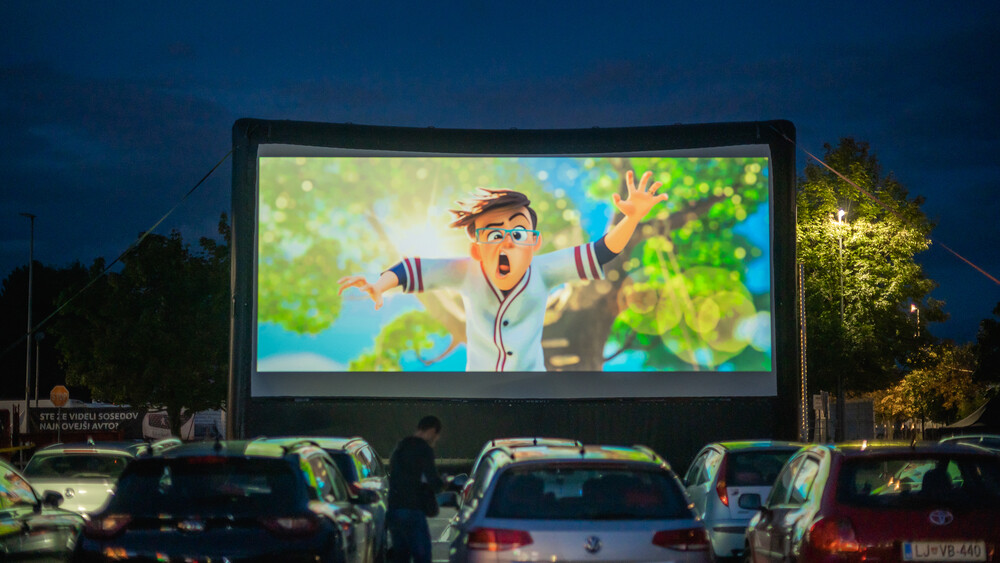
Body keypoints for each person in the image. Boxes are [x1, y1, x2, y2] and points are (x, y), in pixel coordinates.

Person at [338, 170, 667, 371]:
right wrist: (381, 285)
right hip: (480, 393)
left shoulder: (545, 269)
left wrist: (632, 218)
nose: (508, 241)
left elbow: (602, 250)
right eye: (494, 234)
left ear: (534, 243)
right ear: (476, 249)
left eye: (518, 233)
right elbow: (413, 269)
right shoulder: (466, 272)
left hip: (531, 390)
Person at [386, 415, 444, 563]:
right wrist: (443, 483)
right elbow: (432, 481)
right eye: (436, 436)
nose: (436, 440)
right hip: (413, 510)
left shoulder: (400, 447)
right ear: (431, 431)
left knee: (401, 556)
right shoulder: (424, 450)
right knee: (422, 556)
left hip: (394, 508)